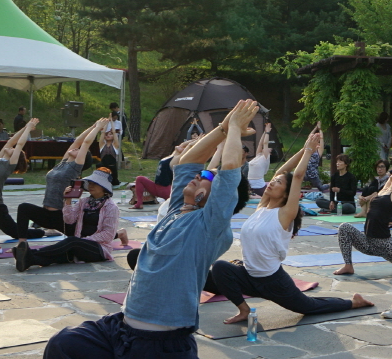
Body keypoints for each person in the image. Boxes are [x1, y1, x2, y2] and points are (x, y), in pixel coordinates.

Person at [42, 100, 256, 359]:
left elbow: (230, 168)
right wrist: (223, 128)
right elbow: (189, 160)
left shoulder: (210, 227)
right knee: (63, 344)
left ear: (217, 198)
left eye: (210, 178)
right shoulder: (179, 208)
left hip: (163, 344)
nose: (202, 174)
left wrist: (234, 128)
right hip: (120, 326)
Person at [211, 131, 373, 324]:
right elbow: (283, 172)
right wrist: (304, 148)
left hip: (272, 281)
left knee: (308, 307)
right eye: (273, 181)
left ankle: (353, 303)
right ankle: (244, 310)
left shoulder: (286, 213)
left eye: (277, 182)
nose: (272, 182)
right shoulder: (263, 205)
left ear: (287, 193)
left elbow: (296, 176)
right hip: (249, 276)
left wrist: (309, 151)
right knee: (220, 268)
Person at [16, 119, 109, 242]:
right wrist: (93, 126)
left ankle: (118, 234)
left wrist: (97, 128)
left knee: (86, 234)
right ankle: (22, 244)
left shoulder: (75, 168)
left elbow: (86, 143)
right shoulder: (62, 163)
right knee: (23, 208)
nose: (75, 149)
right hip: (46, 213)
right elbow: (78, 141)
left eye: (79, 151)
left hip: (60, 216)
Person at [14, 169, 121, 271]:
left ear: (104, 187)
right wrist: (68, 200)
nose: (91, 185)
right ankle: (29, 260)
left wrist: (84, 240)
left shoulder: (111, 207)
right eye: (90, 183)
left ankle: (30, 252)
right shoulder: (84, 202)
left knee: (72, 241)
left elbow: (108, 234)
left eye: (95, 183)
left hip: (98, 248)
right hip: (80, 244)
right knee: (61, 256)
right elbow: (69, 220)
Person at [131, 141, 185, 209]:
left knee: (171, 205)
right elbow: (181, 145)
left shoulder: (176, 159)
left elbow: (187, 150)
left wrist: (193, 143)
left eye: (181, 148)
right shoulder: (171, 156)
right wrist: (191, 141)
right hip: (156, 187)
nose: (179, 147)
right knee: (139, 178)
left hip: (166, 190)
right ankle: (139, 204)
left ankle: (170, 204)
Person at [246, 123, 272, 196]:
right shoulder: (259, 156)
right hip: (250, 186)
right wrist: (264, 132)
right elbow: (260, 144)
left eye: (269, 148)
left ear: (271, 153)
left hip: (259, 186)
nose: (267, 148)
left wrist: (267, 133)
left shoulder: (266, 158)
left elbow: (265, 143)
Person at [303, 123, 328, 192]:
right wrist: (315, 128)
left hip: (313, 175)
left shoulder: (318, 152)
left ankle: (330, 184)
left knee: (321, 188)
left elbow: (321, 138)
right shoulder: (308, 149)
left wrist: (320, 129)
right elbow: (309, 138)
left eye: (318, 144)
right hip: (304, 172)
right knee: (292, 179)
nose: (317, 145)